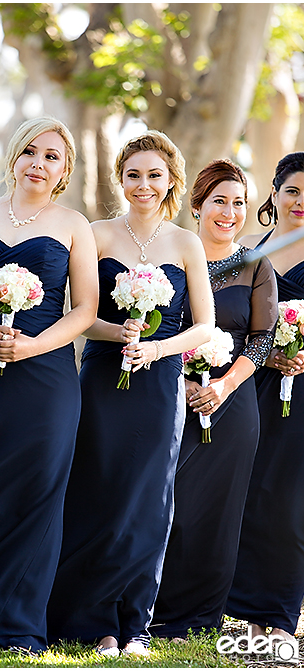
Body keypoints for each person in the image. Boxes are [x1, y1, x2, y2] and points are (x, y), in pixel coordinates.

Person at [46, 130, 214, 657]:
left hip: (160, 385)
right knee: (97, 492)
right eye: (133, 174)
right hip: (102, 377)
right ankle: (91, 620)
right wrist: (118, 333)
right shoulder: (95, 234)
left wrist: (159, 352)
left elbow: (204, 326)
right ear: (120, 179)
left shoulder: (186, 243)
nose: (143, 184)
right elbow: (78, 314)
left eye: (154, 175)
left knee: (148, 500)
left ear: (170, 182)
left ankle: (135, 623)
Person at [0, 117, 98, 655]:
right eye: (31, 151)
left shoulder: (74, 224)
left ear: (64, 171)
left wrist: (32, 346)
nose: (39, 163)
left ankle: (11, 625)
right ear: (13, 156)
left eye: (52, 157)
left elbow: (86, 309)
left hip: (46, 376)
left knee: (36, 493)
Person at [151, 159, 277, 639]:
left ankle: (198, 616)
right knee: (166, 500)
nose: (229, 212)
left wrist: (223, 386)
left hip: (233, 399)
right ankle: (149, 603)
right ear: (197, 204)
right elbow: (156, 325)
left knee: (218, 510)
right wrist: (178, 380)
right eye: (219, 201)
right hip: (168, 393)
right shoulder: (172, 256)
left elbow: (262, 339)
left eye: (239, 203)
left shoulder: (255, 265)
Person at [226, 152, 304, 642]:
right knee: (237, 491)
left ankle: (274, 615)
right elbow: (225, 317)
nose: (301, 201)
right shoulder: (247, 251)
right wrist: (262, 354)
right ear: (274, 194)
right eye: (293, 190)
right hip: (244, 383)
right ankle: (223, 600)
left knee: (285, 500)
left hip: (298, 396)